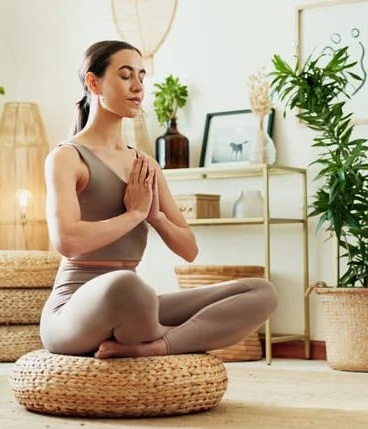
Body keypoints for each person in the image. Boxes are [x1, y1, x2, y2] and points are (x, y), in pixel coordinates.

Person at [40, 40, 278, 359]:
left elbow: (189, 249)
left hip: (137, 304)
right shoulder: (67, 157)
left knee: (261, 292)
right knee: (127, 286)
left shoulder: (145, 164)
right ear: (93, 82)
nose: (138, 86)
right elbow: (67, 241)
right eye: (126, 76)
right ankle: (181, 336)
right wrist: (134, 214)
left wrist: (155, 217)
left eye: (141, 76)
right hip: (72, 313)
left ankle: (158, 345)